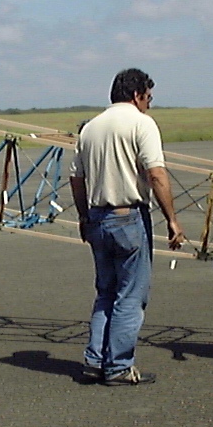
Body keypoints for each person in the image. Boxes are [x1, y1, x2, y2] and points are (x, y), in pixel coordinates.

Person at [69, 68, 186, 385]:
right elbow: (156, 174)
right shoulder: (141, 123)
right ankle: (119, 366)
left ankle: (95, 360)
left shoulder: (89, 128)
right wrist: (172, 219)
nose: (149, 103)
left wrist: (83, 216)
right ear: (137, 95)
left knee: (106, 293)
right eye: (148, 97)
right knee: (131, 295)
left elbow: (76, 179)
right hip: (129, 217)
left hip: (97, 217)